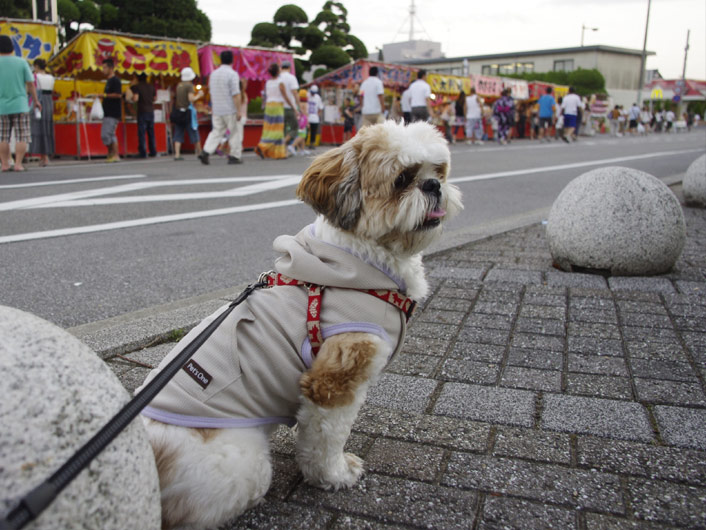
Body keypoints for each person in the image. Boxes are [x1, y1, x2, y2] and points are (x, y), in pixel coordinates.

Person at [0, 35, 41, 172]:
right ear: (11, 47)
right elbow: (30, 84)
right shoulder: (21, 62)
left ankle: (5, 164)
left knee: (2, 136)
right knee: (21, 135)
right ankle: (18, 164)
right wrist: (35, 101)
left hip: (1, 105)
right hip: (20, 104)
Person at [199, 50, 242, 165]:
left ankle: (206, 151)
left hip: (217, 108)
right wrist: (239, 110)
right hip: (230, 108)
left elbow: (211, 91)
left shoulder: (213, 74)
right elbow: (236, 94)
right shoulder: (232, 74)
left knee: (216, 131)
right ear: (232, 60)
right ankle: (234, 155)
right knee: (234, 132)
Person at [254, 63, 295, 159]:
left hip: (269, 106)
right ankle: (265, 148)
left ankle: (271, 150)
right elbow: (285, 96)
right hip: (277, 107)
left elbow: (265, 96)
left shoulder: (268, 82)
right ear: (278, 71)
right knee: (278, 130)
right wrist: (293, 106)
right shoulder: (280, 82)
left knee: (268, 129)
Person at [95, 57, 123, 162]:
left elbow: (118, 94)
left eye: (105, 67)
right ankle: (111, 154)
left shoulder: (116, 80)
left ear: (111, 68)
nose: (103, 69)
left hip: (113, 112)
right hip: (107, 112)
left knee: (108, 134)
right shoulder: (108, 81)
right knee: (107, 134)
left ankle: (115, 154)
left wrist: (104, 95)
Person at [173, 67, 203, 161]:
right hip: (187, 112)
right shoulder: (189, 86)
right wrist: (199, 95)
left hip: (178, 112)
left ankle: (177, 154)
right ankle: (200, 152)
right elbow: (191, 99)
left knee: (178, 133)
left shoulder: (179, 85)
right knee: (194, 132)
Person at [30, 58, 54, 167]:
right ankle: (46, 156)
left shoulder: (35, 77)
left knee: (38, 127)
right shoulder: (51, 77)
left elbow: (31, 89)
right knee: (47, 127)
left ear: (36, 66)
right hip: (49, 100)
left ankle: (43, 157)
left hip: (39, 100)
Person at [127, 73, 156, 158]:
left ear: (136, 78)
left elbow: (135, 98)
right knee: (151, 132)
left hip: (142, 111)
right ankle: (153, 151)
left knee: (142, 132)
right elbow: (155, 99)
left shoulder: (136, 87)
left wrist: (130, 99)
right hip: (151, 111)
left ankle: (143, 152)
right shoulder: (151, 87)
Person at [279, 61, 300, 150]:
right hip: (289, 107)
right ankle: (283, 143)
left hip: (278, 107)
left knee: (282, 129)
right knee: (294, 128)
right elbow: (295, 92)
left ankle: (282, 148)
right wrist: (297, 106)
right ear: (289, 68)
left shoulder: (277, 77)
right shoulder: (291, 78)